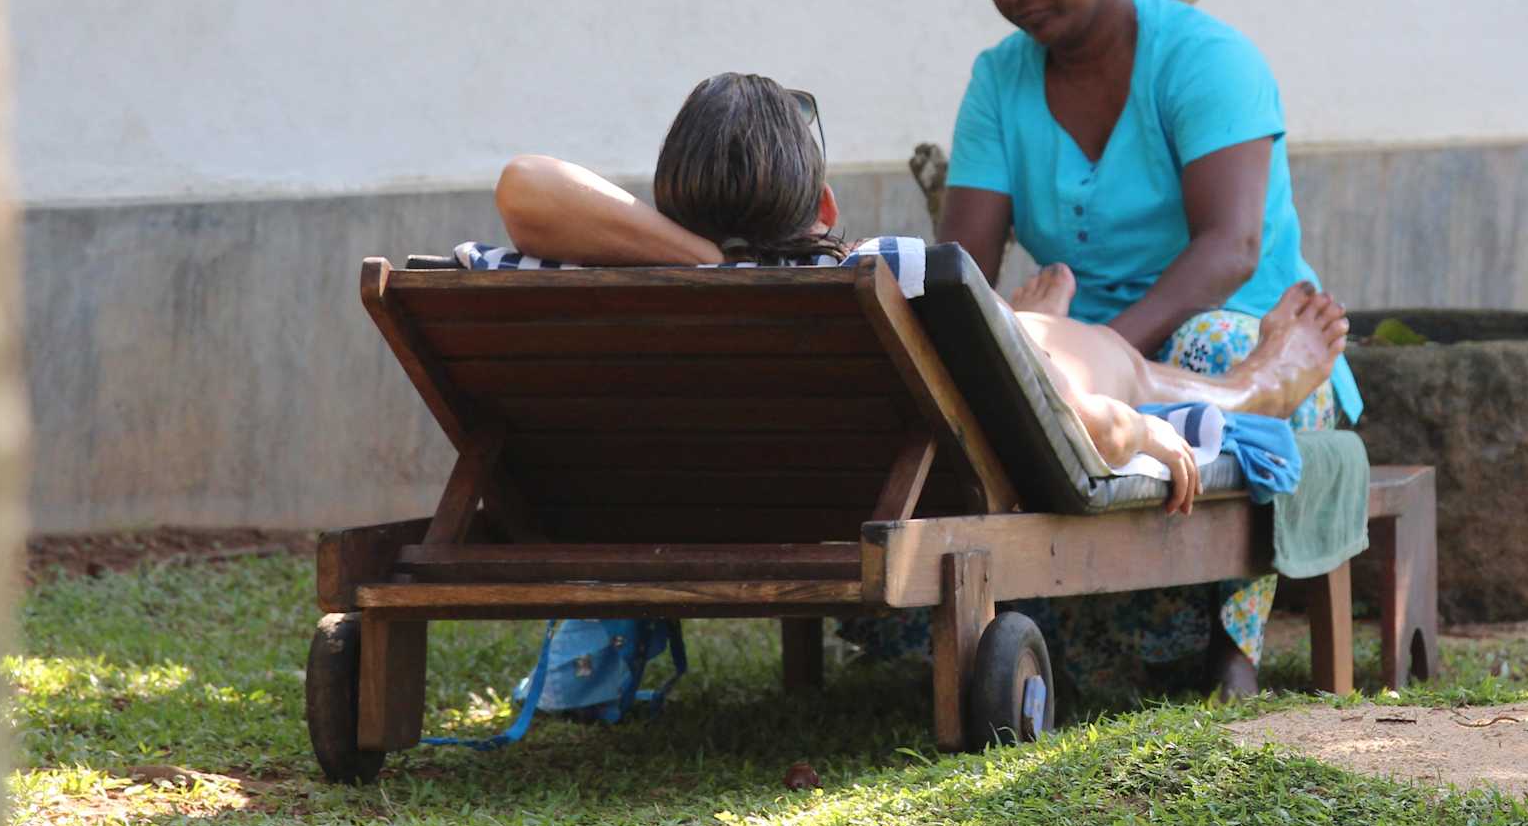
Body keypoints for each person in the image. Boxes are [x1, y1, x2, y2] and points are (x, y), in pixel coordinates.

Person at [494, 74, 1349, 516]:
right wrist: (1144, 431)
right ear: (826, 209)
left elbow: (525, 182)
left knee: (1022, 339)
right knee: (1108, 362)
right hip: (963, 433)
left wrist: (705, 262)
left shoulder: (595, 277)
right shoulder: (887, 273)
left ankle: (1022, 327)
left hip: (741, 482)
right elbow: (1071, 420)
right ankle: (1248, 388)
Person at [935, 0, 1361, 697]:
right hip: (1093, 374)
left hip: (1258, 340)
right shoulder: (999, 83)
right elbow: (962, 268)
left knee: (1211, 346)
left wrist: (1098, 356)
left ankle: (1232, 653)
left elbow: (1231, 246)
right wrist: (1036, 352)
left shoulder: (1205, 60)